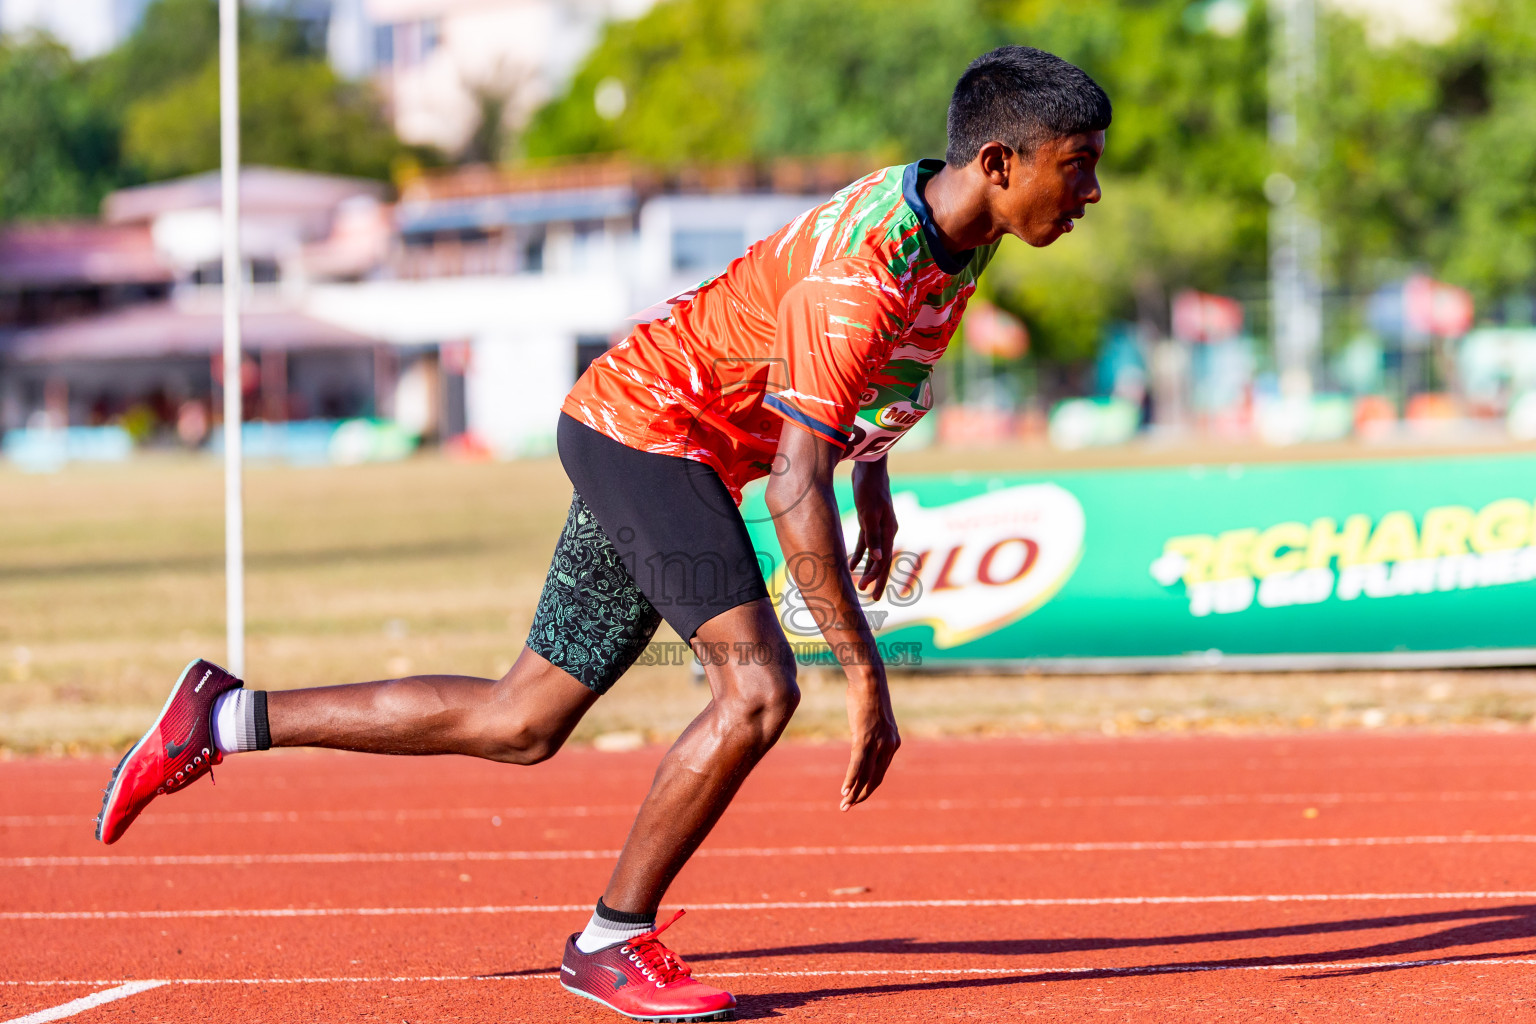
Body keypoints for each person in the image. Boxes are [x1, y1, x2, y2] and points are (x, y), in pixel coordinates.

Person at [94, 45, 1109, 1023]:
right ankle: (610, 939)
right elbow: (797, 483)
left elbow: (885, 373)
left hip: (653, 431)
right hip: (655, 435)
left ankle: (220, 718)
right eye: (1079, 168)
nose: (1091, 192)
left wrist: (878, 470)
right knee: (758, 691)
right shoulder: (861, 278)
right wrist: (866, 676)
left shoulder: (954, 228)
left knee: (521, 720)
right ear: (998, 162)